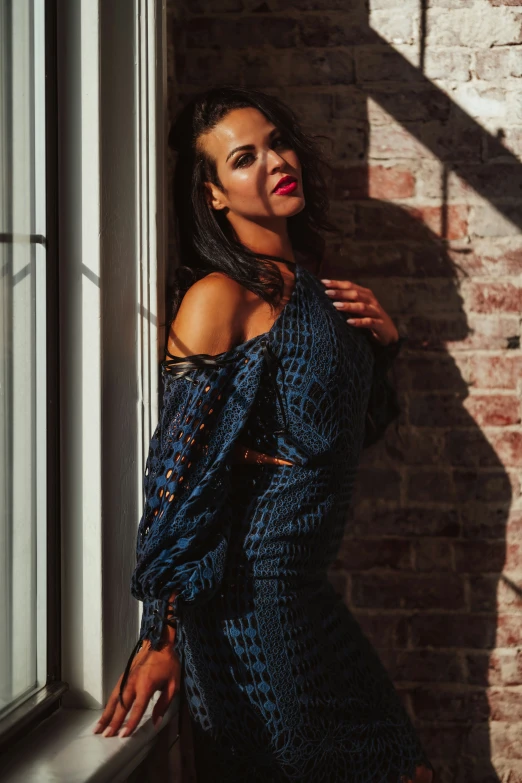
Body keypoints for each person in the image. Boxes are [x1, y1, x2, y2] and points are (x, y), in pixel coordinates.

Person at [93, 85, 435, 783]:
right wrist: (160, 632)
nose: (276, 161)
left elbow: (337, 441)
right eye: (243, 158)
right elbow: (178, 480)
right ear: (214, 195)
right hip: (251, 602)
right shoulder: (219, 296)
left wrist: (385, 347)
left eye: (276, 142)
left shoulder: (311, 286)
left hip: (307, 592)